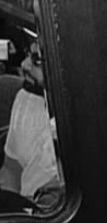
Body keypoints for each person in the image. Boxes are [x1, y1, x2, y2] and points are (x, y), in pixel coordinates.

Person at [0, 34, 61, 207]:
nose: (24, 65)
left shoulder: (92, 119)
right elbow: (12, 169)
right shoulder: (25, 98)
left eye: (37, 61)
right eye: (28, 55)